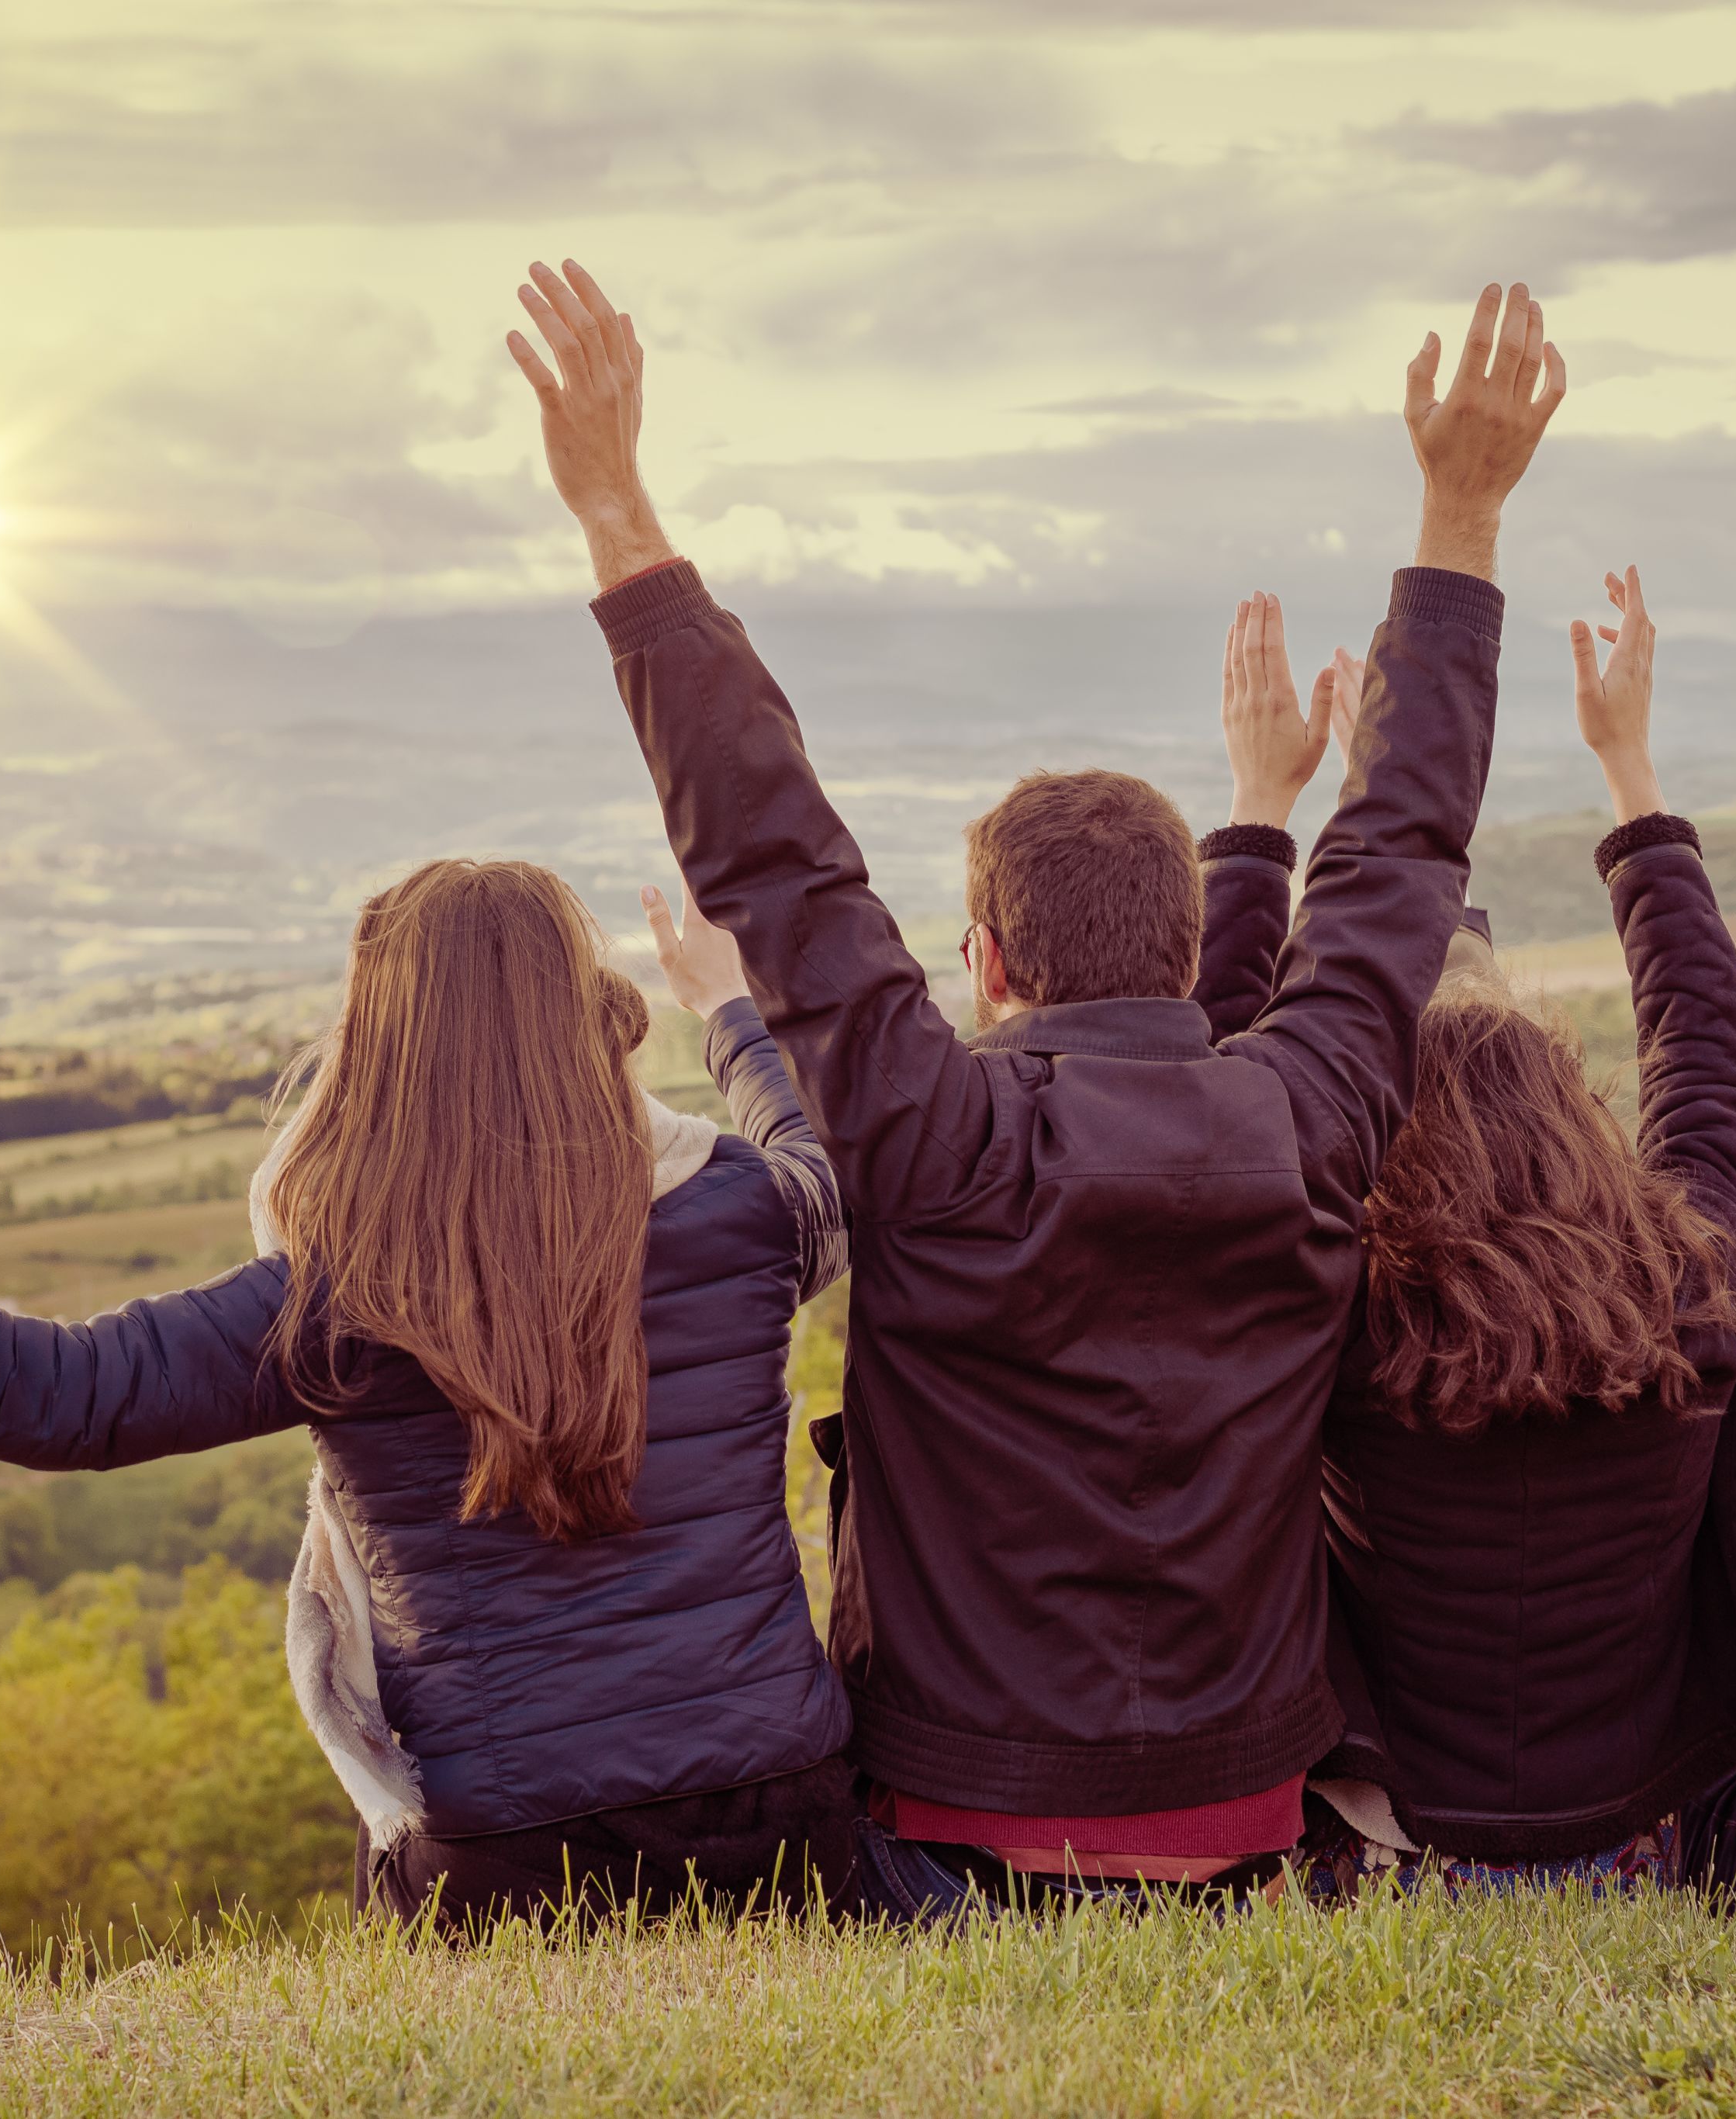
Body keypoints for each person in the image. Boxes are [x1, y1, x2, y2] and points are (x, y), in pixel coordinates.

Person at [503, 258, 1560, 1913]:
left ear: (985, 965)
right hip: (1250, 1819)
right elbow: (1407, 845)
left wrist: (616, 506)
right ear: (1189, 939)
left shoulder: (938, 1138)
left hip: (954, 1826)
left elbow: (772, 845)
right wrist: (1460, 511)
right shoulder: (1302, 1122)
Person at [0, 858, 860, 1929]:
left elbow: (58, 1396)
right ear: (592, 1016)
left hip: (514, 1863)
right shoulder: (745, 1215)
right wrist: (729, 1010)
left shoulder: (347, 1298)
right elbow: (815, 1160)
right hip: (790, 1817)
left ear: (381, 1047)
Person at [1190, 572, 1736, 1896]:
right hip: (1637, 1835)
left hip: (1390, 1835)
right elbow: (1705, 1059)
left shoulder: (1338, 1314)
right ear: (1570, 1117)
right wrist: (1630, 775)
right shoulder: (1692, 1285)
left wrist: (1260, 819)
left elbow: (1220, 1113)